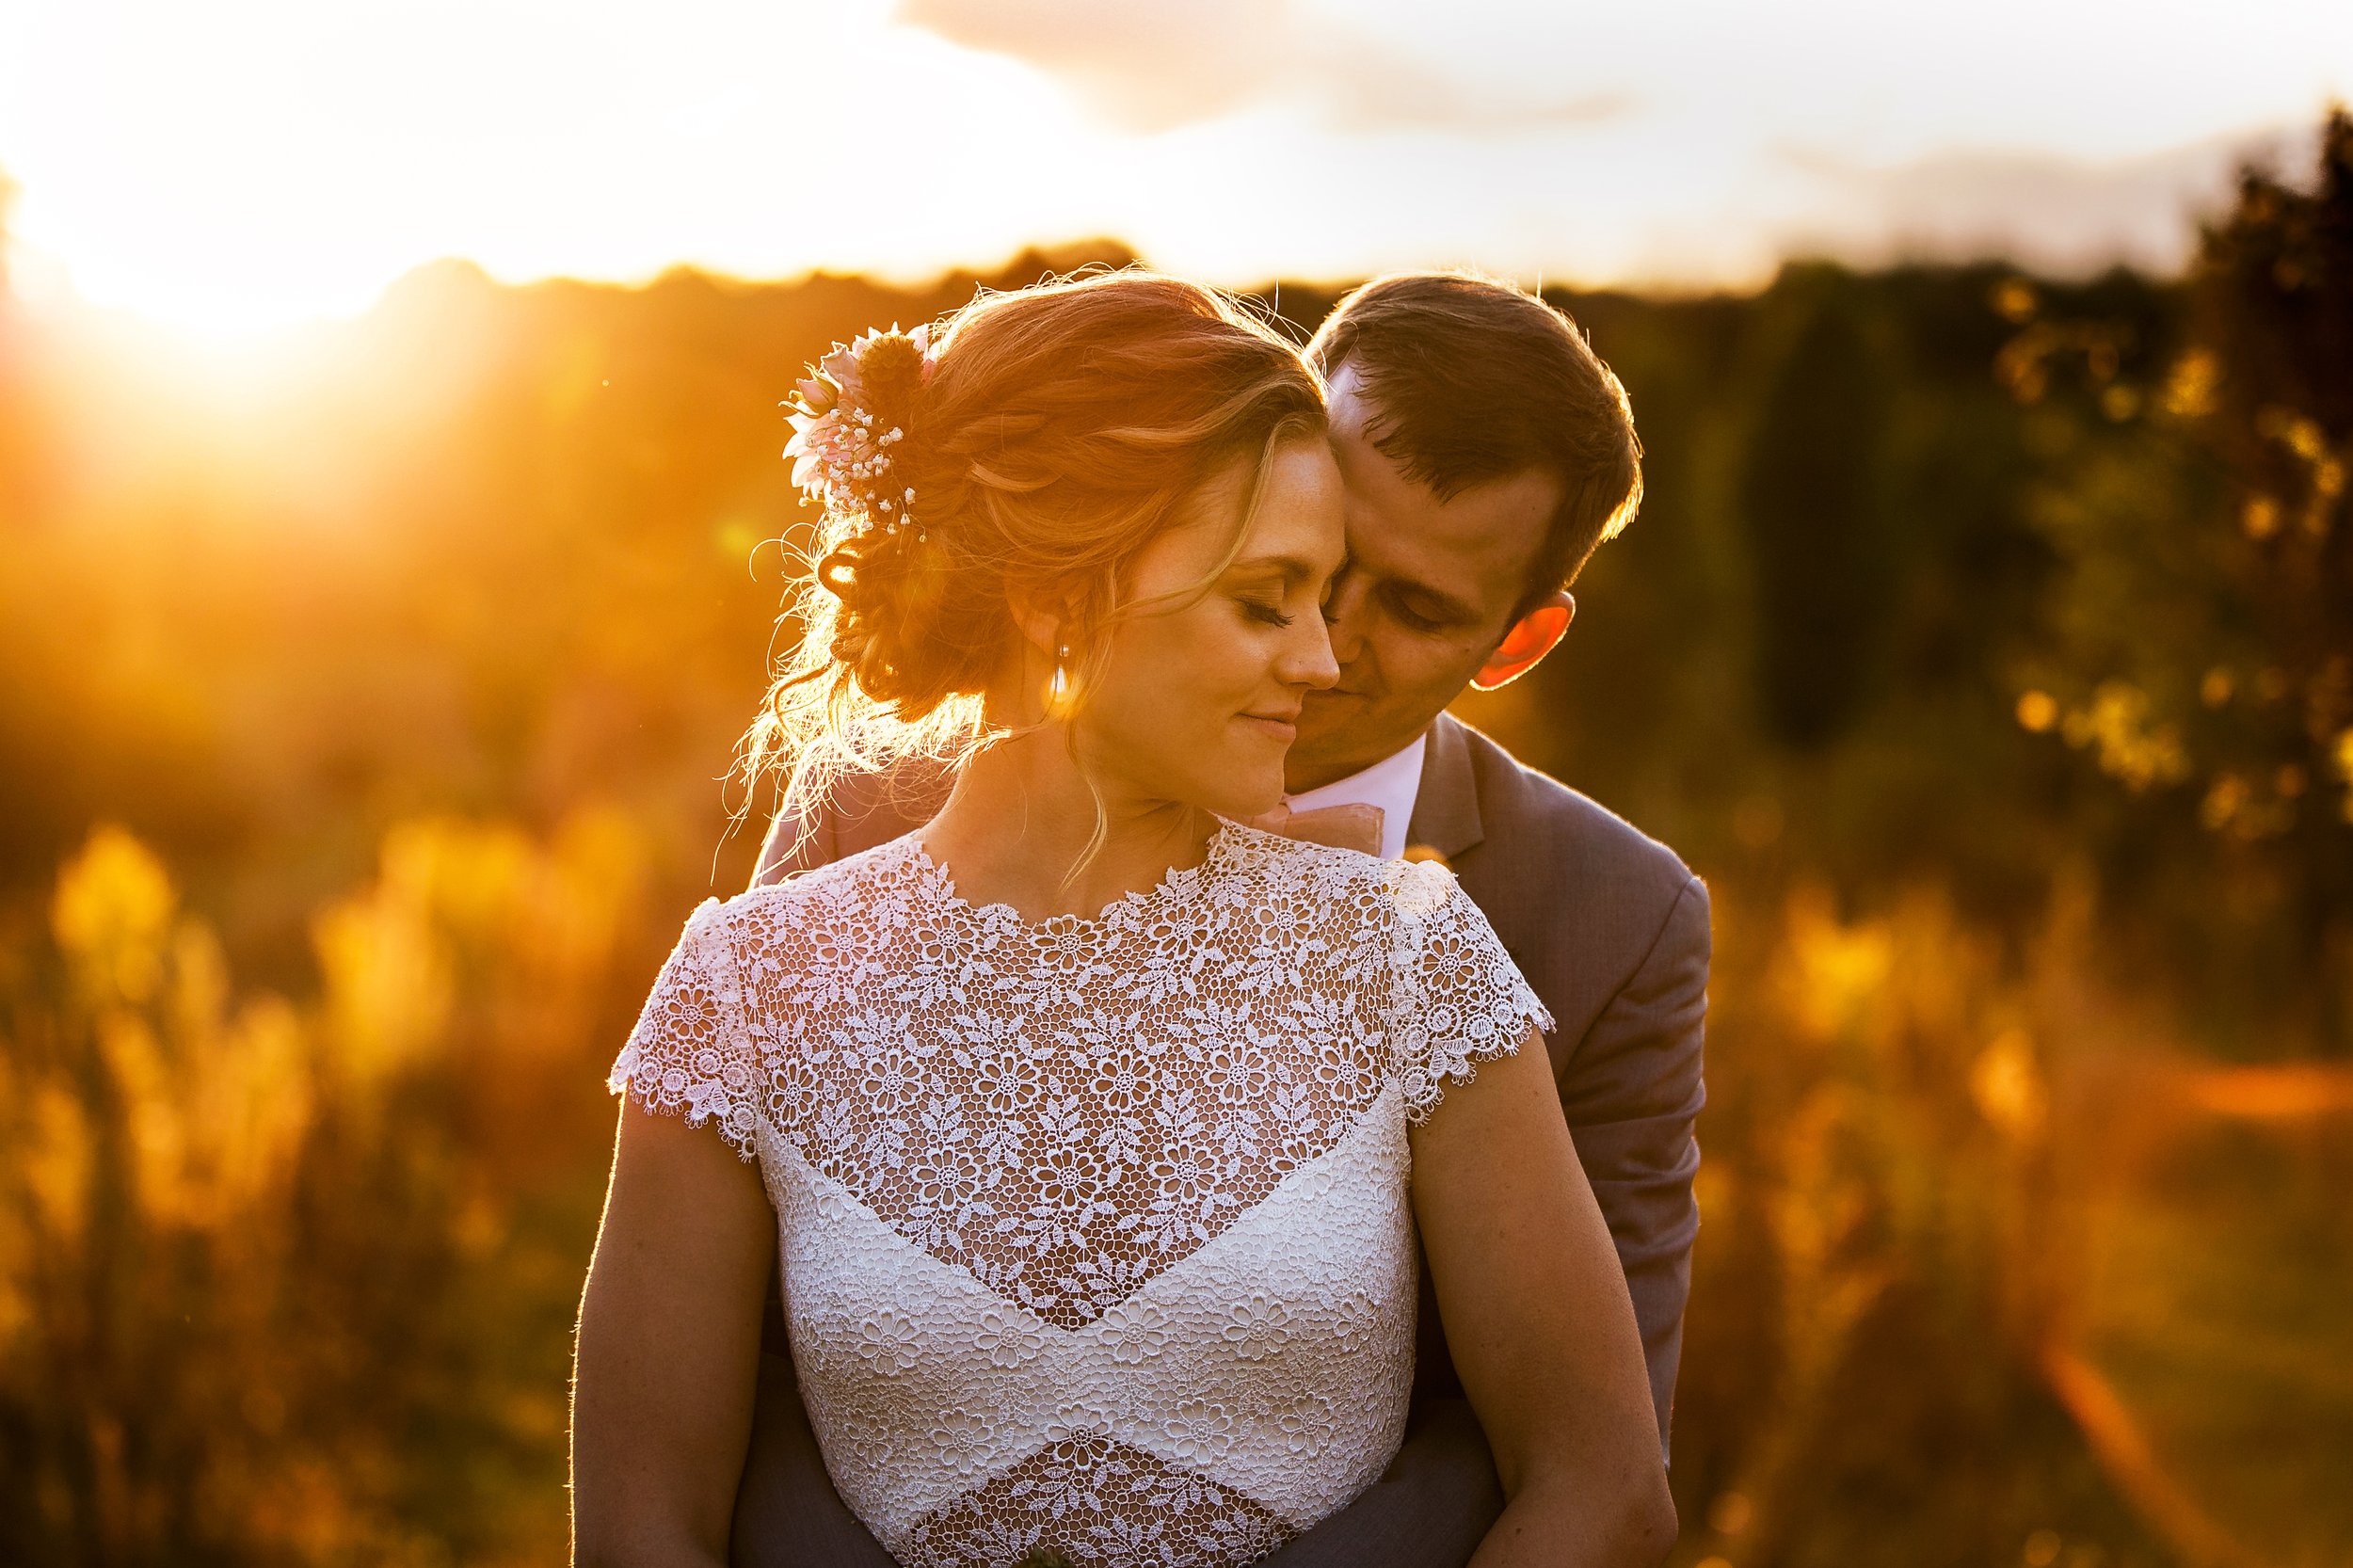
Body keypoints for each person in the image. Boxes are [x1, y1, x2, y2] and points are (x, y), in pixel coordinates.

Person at [571, 271, 1674, 1568]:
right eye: (1270, 599)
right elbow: (648, 1524)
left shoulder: (1414, 956)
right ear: (1059, 600)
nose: (1322, 660)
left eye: (1343, 599)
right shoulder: (744, 986)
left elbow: (1605, 1482)